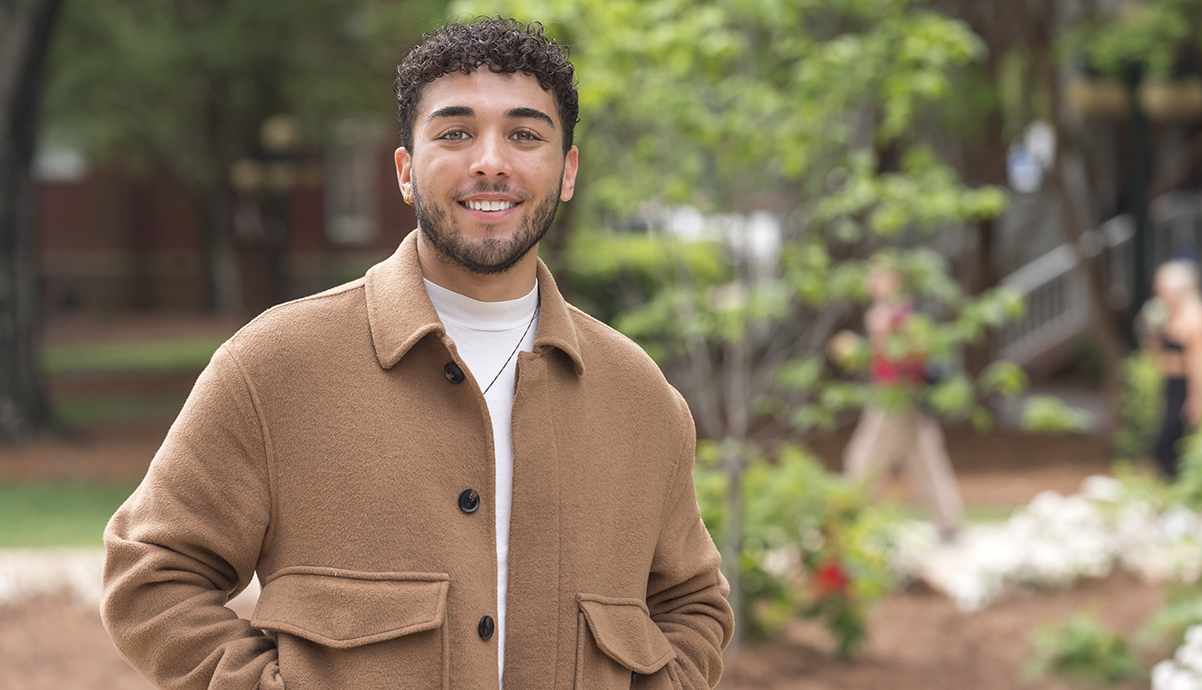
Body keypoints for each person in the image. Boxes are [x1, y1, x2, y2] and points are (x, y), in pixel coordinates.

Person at [101, 18, 733, 690]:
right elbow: (152, 573)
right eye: (455, 132)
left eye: (525, 134)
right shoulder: (274, 367)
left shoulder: (638, 395)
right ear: (405, 171)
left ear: (567, 170)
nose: (490, 160)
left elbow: (692, 606)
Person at [840, 267, 963, 540]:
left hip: (893, 398)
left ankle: (852, 521)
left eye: (878, 277)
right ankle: (948, 523)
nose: (871, 282)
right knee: (924, 460)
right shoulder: (898, 314)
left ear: (894, 281)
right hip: (903, 398)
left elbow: (903, 355)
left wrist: (871, 339)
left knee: (865, 459)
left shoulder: (894, 316)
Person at [1144, 260, 1202, 478]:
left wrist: (1197, 398)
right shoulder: (1164, 316)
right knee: (1168, 441)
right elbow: (1153, 353)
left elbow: (1198, 363)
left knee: (1171, 442)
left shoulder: (1194, 319)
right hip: (1169, 382)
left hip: (1185, 385)